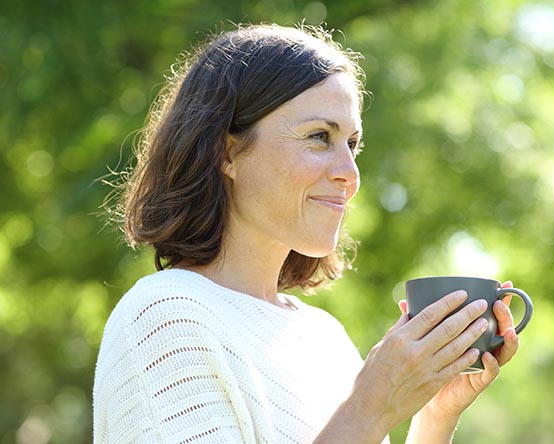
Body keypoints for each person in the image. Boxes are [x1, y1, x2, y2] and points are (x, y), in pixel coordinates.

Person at [93, 23, 521, 443]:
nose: (350, 174)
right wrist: (371, 406)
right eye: (319, 137)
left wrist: (433, 415)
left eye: (352, 145)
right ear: (227, 153)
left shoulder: (323, 337)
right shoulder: (164, 318)